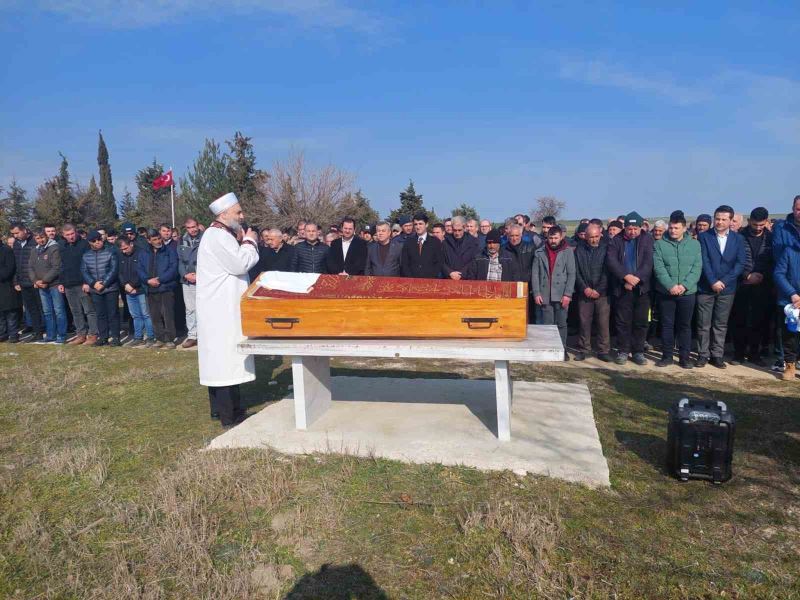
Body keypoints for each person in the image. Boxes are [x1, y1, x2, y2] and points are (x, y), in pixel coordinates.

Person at [196, 192, 260, 427]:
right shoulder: (218, 237)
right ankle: (229, 415)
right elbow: (241, 263)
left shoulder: (217, 235)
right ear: (224, 215)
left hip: (218, 307)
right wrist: (250, 241)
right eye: (238, 212)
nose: (242, 216)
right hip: (221, 310)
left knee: (219, 360)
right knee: (224, 361)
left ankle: (221, 409)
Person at [695, 205, 747, 368]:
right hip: (706, 287)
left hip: (727, 288)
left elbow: (740, 263)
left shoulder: (738, 239)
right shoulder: (704, 237)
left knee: (721, 324)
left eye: (724, 219)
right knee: (703, 323)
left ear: (731, 221)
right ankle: (702, 354)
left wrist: (724, 281)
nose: (719, 222)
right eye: (717, 219)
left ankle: (717, 355)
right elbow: (704, 261)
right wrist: (712, 281)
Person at [653, 210, 702, 368]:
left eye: (676, 228)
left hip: (687, 293)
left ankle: (684, 358)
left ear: (684, 228)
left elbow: (697, 267)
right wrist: (671, 286)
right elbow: (659, 268)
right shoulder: (659, 244)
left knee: (684, 326)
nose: (673, 231)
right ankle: (667, 356)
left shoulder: (694, 244)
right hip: (666, 293)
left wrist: (684, 285)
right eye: (671, 228)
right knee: (667, 325)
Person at [607, 211, 654, 366]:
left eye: (635, 228)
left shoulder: (647, 239)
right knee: (623, 322)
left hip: (642, 288)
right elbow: (612, 261)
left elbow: (648, 262)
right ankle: (623, 351)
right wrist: (626, 277)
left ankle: (638, 351)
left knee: (641, 322)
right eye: (629, 229)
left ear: (641, 227)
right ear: (625, 228)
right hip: (623, 288)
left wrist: (636, 279)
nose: (632, 232)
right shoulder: (616, 240)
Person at [731, 207, 773, 366]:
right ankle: (738, 354)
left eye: (761, 225)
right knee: (739, 319)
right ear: (749, 221)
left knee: (759, 321)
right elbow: (734, 259)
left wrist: (761, 276)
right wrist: (747, 275)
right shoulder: (738, 237)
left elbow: (773, 261)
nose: (757, 228)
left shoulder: (771, 238)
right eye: (755, 224)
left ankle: (755, 354)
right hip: (742, 284)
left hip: (763, 284)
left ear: (766, 222)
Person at [531, 225, 575, 357]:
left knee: (561, 323)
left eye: (556, 238)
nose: (553, 241)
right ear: (547, 238)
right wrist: (537, 293)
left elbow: (572, 274)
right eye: (551, 238)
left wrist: (568, 294)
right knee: (547, 325)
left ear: (561, 237)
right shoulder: (539, 252)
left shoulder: (567, 251)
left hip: (561, 293)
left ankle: (562, 350)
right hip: (545, 293)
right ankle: (549, 349)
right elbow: (535, 274)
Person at [573, 224, 611, 362]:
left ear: (600, 235)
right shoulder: (579, 249)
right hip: (585, 292)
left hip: (603, 293)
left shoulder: (607, 249)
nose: (594, 239)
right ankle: (584, 349)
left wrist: (598, 290)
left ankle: (603, 350)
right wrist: (585, 288)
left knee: (603, 323)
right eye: (591, 237)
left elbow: (608, 272)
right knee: (584, 322)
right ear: (585, 237)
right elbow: (576, 271)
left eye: (596, 236)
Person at [138, 228, 179, 349]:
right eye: (154, 239)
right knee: (155, 315)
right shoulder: (144, 253)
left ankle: (169, 339)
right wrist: (147, 280)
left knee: (167, 315)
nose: (158, 241)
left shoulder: (169, 251)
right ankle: (159, 338)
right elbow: (140, 269)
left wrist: (160, 279)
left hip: (165, 287)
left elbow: (173, 268)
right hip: (150, 288)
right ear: (149, 241)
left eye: (159, 238)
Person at [773, 204, 800, 381]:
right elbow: (778, 273)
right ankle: (789, 365)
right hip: (790, 300)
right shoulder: (789, 252)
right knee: (790, 334)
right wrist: (793, 294)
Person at [58, 224, 97, 345]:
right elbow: (61, 265)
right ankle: (81, 334)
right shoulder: (61, 246)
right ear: (63, 235)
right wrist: (61, 282)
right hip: (68, 284)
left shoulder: (84, 244)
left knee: (89, 310)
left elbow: (89, 264)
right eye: (67, 235)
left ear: (76, 232)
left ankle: (93, 334)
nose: (71, 237)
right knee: (75, 311)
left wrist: (87, 282)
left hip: (82, 283)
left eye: (72, 234)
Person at [81, 230, 120, 346]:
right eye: (94, 241)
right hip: (95, 290)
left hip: (110, 288)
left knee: (112, 313)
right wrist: (93, 283)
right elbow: (84, 271)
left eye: (99, 239)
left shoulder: (110, 252)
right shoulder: (86, 255)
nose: (97, 242)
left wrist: (104, 283)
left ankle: (116, 337)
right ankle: (103, 337)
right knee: (100, 314)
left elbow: (114, 269)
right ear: (89, 242)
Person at [29, 229, 67, 344]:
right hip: (41, 286)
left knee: (59, 310)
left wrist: (45, 280)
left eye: (42, 237)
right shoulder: (34, 250)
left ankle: (61, 335)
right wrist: (36, 281)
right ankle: (50, 335)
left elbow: (56, 267)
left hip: (54, 284)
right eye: (38, 238)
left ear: (46, 237)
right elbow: (30, 267)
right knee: (47, 311)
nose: (40, 240)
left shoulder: (54, 248)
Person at [117, 237, 154, 347]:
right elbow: (119, 272)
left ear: (131, 244)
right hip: (128, 290)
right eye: (122, 249)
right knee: (135, 315)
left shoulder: (141, 254)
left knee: (146, 314)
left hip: (141, 289)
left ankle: (151, 337)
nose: (124, 251)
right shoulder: (121, 256)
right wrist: (125, 284)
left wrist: (133, 285)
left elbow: (143, 272)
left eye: (126, 248)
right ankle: (138, 337)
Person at [11, 223, 45, 343]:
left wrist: (38, 279)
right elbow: (15, 263)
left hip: (36, 281)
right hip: (23, 282)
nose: (15, 236)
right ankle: (37, 332)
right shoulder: (16, 244)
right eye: (13, 234)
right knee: (31, 309)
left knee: (43, 308)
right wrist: (16, 281)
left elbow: (41, 262)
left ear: (24, 230)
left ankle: (51, 330)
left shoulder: (34, 241)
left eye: (17, 233)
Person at [178, 217, 203, 349]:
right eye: (189, 228)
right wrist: (185, 274)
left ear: (198, 226)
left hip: (202, 278)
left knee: (204, 308)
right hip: (187, 280)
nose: (192, 230)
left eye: (194, 227)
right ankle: (192, 335)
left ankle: (205, 335)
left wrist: (199, 275)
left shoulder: (205, 238)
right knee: (190, 309)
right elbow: (180, 261)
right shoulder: (182, 240)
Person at [400, 212, 445, 279]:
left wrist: (431, 277)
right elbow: (404, 263)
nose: (418, 227)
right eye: (416, 224)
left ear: (426, 224)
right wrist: (410, 278)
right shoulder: (408, 242)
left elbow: (439, 262)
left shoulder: (435, 242)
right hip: (412, 280)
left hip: (430, 280)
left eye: (420, 224)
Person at [442, 216, 480, 280]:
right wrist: (449, 272)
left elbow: (474, 261)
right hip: (449, 278)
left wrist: (462, 273)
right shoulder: (445, 242)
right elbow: (441, 260)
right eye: (455, 230)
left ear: (464, 228)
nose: (457, 233)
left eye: (459, 230)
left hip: (467, 278)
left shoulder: (473, 242)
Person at [0, 240, 20, 343]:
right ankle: (2, 334)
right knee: (1, 314)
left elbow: (10, 268)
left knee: (10, 313)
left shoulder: (6, 250)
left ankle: (13, 334)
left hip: (7, 286)